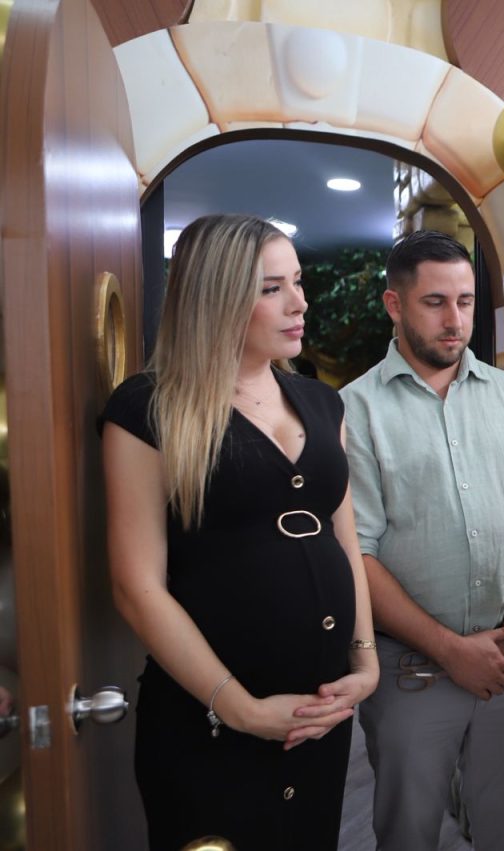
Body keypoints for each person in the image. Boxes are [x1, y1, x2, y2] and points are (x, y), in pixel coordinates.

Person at [102, 214, 379, 851]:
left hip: (319, 716)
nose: (299, 303)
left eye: (298, 282)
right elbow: (135, 587)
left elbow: (345, 539)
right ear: (216, 298)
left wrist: (364, 662)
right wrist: (240, 708)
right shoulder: (148, 409)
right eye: (271, 289)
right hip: (208, 725)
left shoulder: (323, 403)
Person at [341, 230, 504, 850]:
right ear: (394, 304)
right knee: (409, 836)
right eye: (434, 302)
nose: (455, 320)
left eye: (464, 301)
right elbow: (357, 553)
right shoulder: (353, 411)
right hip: (411, 672)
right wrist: (451, 649)